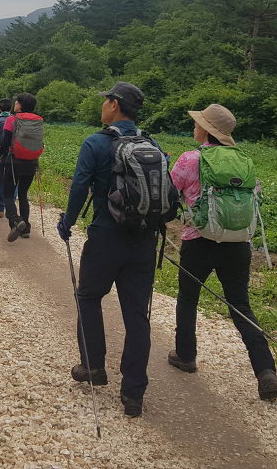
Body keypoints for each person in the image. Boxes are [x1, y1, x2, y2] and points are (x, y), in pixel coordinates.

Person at [56, 82, 163, 418]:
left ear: (115, 105)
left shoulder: (96, 142)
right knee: (137, 315)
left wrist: (67, 223)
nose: (103, 105)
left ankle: (93, 366)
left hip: (106, 237)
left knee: (89, 297)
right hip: (144, 241)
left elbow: (79, 187)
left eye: (106, 101)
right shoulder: (152, 144)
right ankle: (133, 393)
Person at [167, 103, 277, 401]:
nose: (195, 127)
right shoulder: (244, 160)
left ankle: (186, 355)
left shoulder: (191, 158)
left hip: (199, 240)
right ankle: (265, 370)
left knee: (188, 299)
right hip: (237, 244)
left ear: (207, 130)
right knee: (240, 305)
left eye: (198, 123)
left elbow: (169, 192)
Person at [0, 93, 43, 241]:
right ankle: (26, 228)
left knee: (8, 194)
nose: (15, 104)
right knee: (23, 194)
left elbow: (5, 142)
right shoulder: (38, 121)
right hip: (32, 162)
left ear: (20, 105)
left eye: (16, 102)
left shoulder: (12, 119)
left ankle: (16, 222)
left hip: (14, 161)